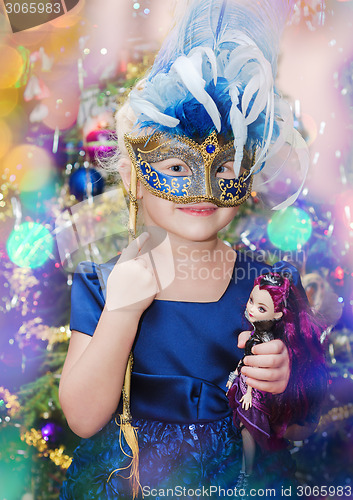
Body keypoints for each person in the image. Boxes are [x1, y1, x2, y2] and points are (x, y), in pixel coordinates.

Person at [58, 0, 323, 498]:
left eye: (224, 168)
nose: (203, 189)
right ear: (136, 176)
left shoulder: (269, 287)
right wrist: (121, 313)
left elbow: (303, 425)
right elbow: (83, 417)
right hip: (130, 481)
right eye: (176, 167)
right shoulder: (99, 285)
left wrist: (284, 381)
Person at [227, 272, 326, 493]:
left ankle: (247, 472)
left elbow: (254, 367)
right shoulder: (254, 334)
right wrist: (235, 375)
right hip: (243, 386)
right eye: (251, 302)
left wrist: (252, 391)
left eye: (261, 308)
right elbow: (245, 362)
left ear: (278, 314)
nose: (251, 309)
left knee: (248, 430)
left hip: (253, 392)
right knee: (244, 430)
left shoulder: (267, 337)